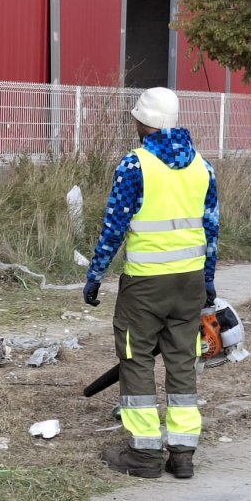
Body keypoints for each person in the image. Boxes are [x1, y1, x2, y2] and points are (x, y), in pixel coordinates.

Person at [82, 86, 220, 479]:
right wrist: (208, 282)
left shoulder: (135, 165)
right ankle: (183, 453)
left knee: (136, 358)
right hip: (190, 282)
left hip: (146, 285)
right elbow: (211, 229)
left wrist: (95, 275)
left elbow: (115, 227)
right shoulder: (202, 167)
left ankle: (143, 455)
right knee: (182, 361)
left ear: (143, 121)